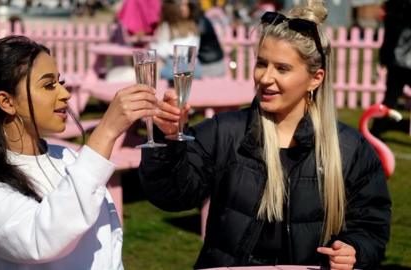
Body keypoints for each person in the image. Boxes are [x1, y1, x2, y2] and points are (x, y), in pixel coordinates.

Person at [139, 1, 391, 269]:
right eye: (262, 64)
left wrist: (354, 250)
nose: (265, 77)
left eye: (282, 68)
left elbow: (371, 225)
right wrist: (168, 142)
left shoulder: (350, 149)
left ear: (315, 78)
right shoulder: (224, 132)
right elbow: (172, 196)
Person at [0, 35, 158, 270]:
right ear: (7, 101)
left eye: (60, 82)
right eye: (48, 85)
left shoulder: (68, 158)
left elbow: (108, 247)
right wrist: (105, 133)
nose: (64, 94)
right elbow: (41, 240)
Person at [371, 0, 411, 135]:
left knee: (390, 99)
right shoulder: (396, 17)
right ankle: (376, 131)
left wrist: (384, 59)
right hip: (399, 63)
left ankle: (376, 131)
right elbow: (389, 40)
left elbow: (388, 40)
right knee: (390, 99)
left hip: (396, 63)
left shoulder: (394, 15)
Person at [150, 0, 202, 81]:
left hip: (175, 71)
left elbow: (161, 51)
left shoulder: (167, 27)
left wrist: (153, 45)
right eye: (182, 5)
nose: (185, 8)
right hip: (195, 69)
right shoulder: (193, 25)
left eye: (186, 5)